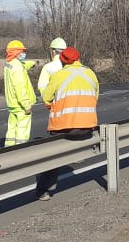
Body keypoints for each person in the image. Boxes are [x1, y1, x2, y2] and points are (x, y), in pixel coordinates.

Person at [39, 46, 99, 200]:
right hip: (87, 128)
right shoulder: (90, 73)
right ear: (78, 59)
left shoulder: (59, 75)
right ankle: (78, 155)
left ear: (63, 61)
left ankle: (43, 191)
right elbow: (95, 97)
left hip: (62, 127)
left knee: (52, 158)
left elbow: (46, 99)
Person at [4, 40, 36, 146]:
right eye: (21, 51)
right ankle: (20, 151)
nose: (23, 53)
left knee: (12, 129)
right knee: (23, 129)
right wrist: (27, 106)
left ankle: (8, 149)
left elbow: (22, 65)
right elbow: (20, 88)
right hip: (21, 105)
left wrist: (32, 63)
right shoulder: (18, 68)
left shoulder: (9, 64)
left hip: (12, 103)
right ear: (16, 52)